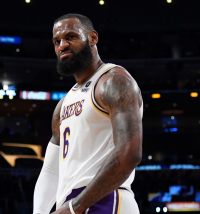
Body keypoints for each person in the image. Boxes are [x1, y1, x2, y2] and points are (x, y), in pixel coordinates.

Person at [33, 13, 143, 214]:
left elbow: (129, 154)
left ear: (93, 38)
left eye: (71, 37)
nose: (62, 45)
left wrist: (76, 206)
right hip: (71, 204)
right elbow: (50, 170)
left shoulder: (114, 82)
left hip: (106, 199)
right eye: (57, 41)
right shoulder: (63, 104)